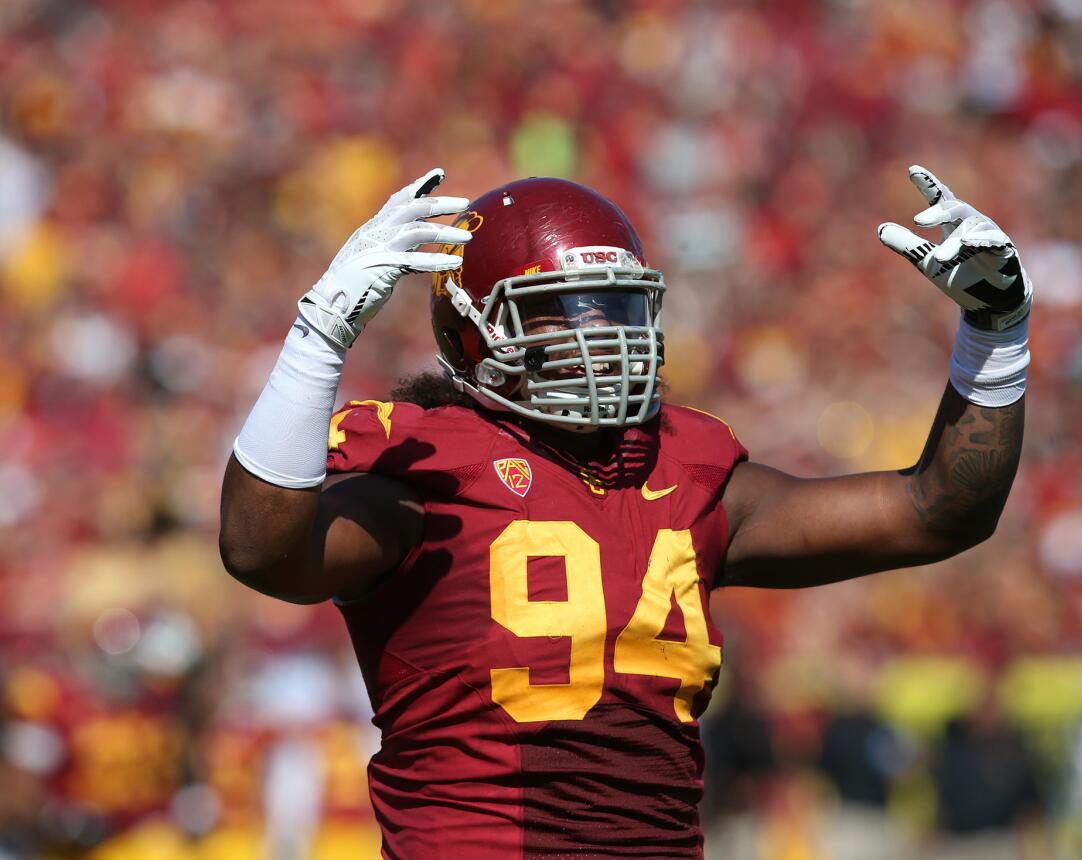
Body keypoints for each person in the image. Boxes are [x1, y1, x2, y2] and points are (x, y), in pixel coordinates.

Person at [219, 165, 1032, 858]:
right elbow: (262, 552)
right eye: (563, 311)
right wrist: (317, 339)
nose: (598, 335)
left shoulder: (686, 467)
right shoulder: (426, 463)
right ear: (470, 330)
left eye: (615, 307)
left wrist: (996, 333)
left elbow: (937, 510)